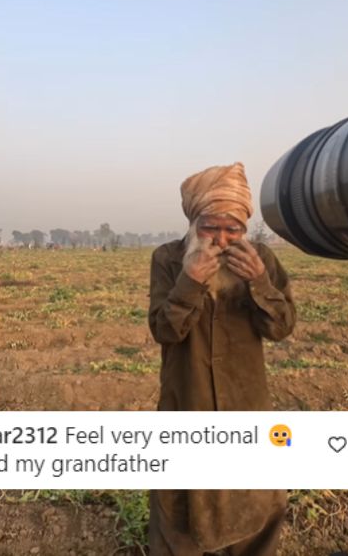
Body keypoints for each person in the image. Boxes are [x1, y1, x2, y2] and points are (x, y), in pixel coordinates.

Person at [147, 163, 296, 555]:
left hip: (246, 407)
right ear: (194, 222)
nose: (222, 239)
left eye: (234, 229)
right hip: (187, 404)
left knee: (258, 502)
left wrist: (259, 282)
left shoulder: (260, 259)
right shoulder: (168, 259)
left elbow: (281, 328)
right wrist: (189, 283)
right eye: (211, 227)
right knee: (180, 507)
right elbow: (164, 330)